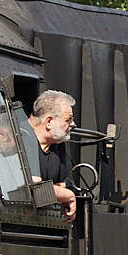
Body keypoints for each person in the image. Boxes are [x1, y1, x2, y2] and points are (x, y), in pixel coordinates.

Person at [29, 89, 78, 219]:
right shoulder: (24, 137)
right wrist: (68, 196)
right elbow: (36, 191)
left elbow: (66, 184)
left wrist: (58, 191)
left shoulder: (58, 143)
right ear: (49, 122)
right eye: (68, 119)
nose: (73, 124)